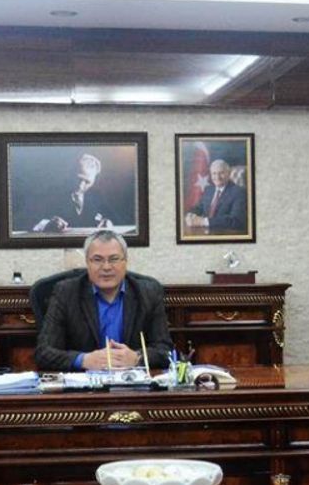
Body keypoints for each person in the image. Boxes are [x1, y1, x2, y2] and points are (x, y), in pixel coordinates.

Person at [34, 229, 173, 372]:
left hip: (132, 381)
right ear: (87, 262)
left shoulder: (148, 293)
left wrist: (137, 358)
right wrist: (83, 360)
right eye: (97, 260)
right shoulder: (66, 293)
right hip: (84, 383)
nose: (106, 267)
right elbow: (44, 353)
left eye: (114, 259)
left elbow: (165, 351)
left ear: (125, 262)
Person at [32, 153, 113, 232]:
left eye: (87, 182)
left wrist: (108, 222)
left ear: (94, 180)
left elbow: (114, 218)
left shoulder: (96, 196)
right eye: (78, 179)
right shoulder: (51, 193)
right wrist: (47, 224)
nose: (80, 185)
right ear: (70, 174)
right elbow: (30, 221)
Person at [184, 159, 247, 233]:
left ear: (229, 173)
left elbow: (236, 221)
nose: (217, 177)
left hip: (224, 234)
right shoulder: (209, 189)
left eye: (221, 173)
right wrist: (190, 215)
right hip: (205, 232)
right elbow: (198, 207)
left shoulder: (239, 192)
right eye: (214, 173)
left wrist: (203, 221)